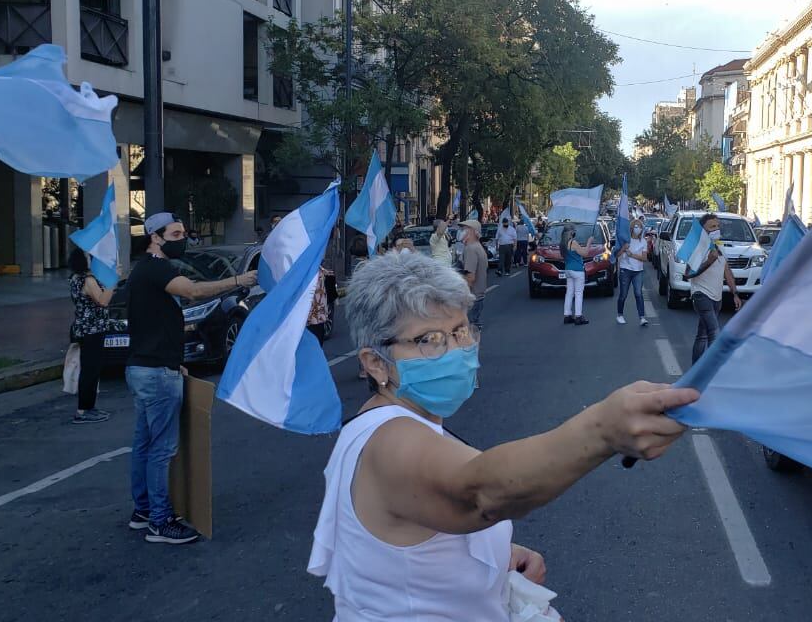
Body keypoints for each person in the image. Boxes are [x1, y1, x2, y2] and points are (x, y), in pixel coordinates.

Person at [310, 252, 699, 621]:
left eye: (460, 330)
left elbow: (405, 550)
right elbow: (481, 492)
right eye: (430, 340)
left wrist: (498, 555)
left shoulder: (386, 425)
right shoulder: (390, 442)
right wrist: (603, 429)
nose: (457, 350)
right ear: (375, 363)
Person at [125, 212, 258, 544]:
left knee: (144, 444)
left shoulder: (143, 270)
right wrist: (240, 281)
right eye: (175, 234)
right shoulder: (157, 269)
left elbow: (155, 323)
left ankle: (143, 511)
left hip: (147, 367)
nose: (183, 238)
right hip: (156, 374)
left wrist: (175, 361)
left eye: (184, 232)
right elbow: (193, 292)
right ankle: (160, 520)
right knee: (161, 449)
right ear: (155, 237)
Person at [686, 213, 743, 364]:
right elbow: (688, 274)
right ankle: (709, 371)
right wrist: (709, 261)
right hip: (701, 295)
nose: (716, 229)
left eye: (717, 226)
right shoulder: (699, 248)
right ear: (703, 230)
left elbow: (727, 271)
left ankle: (695, 371)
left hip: (716, 297)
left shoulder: (720, 247)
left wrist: (735, 294)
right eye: (712, 226)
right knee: (714, 332)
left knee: (702, 335)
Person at [68, 247, 115, 423]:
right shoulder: (87, 280)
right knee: (90, 370)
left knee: (90, 369)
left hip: (84, 328)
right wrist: (112, 283)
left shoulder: (75, 278)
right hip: (92, 330)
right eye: (90, 258)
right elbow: (102, 301)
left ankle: (89, 407)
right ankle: (83, 410)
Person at [616, 219, 650, 327]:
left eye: (639, 227)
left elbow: (644, 258)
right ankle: (620, 315)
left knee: (638, 294)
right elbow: (617, 255)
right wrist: (623, 248)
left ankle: (642, 317)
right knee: (623, 294)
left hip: (638, 271)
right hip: (625, 270)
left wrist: (632, 255)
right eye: (636, 226)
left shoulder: (643, 242)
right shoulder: (626, 240)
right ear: (631, 228)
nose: (638, 229)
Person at [457, 220, 488, 329]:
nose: (461, 231)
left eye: (464, 229)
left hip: (471, 299)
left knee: (467, 331)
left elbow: (470, 277)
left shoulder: (471, 249)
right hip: (477, 298)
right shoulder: (476, 247)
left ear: (473, 232)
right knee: (473, 329)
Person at [561, 224, 592, 326]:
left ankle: (567, 315)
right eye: (574, 231)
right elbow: (585, 253)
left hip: (568, 270)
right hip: (577, 270)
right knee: (578, 293)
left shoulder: (563, 244)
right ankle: (578, 316)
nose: (575, 232)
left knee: (569, 292)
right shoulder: (573, 242)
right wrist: (589, 243)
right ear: (571, 232)